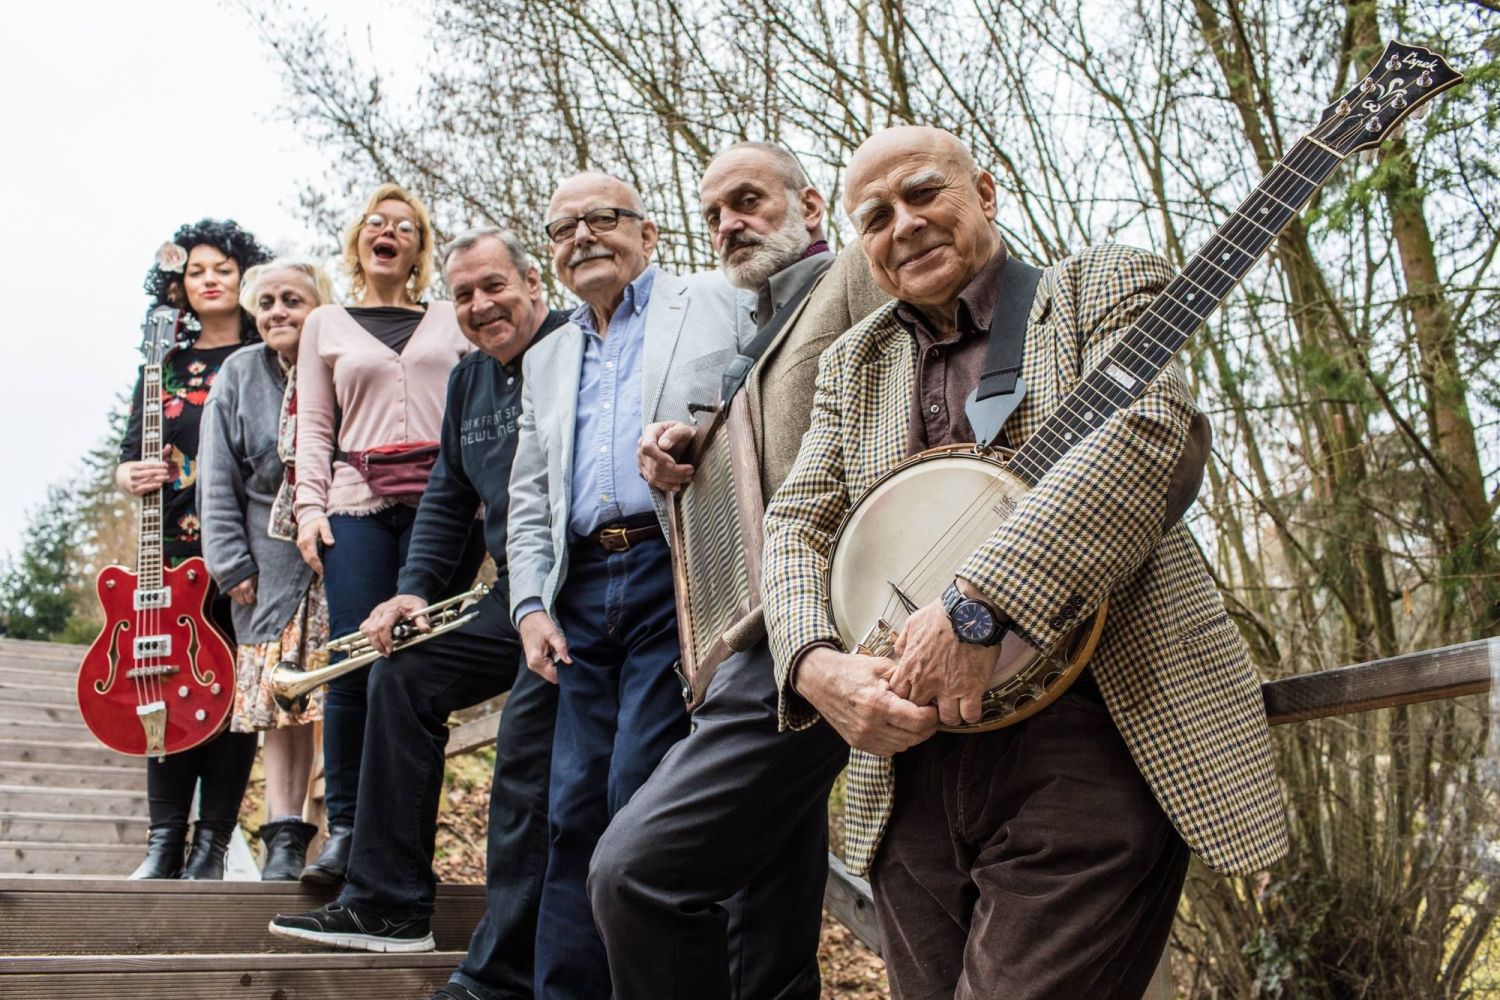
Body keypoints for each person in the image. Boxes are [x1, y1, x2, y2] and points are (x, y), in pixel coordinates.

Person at [759, 125, 1287, 999]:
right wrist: (814, 664)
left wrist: (979, 607)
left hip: (1088, 740)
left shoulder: (1099, 288)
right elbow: (794, 526)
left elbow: (1147, 437)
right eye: (876, 216)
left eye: (925, 193)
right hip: (909, 772)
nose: (905, 225)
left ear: (988, 193)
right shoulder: (854, 364)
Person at [588, 142, 889, 999]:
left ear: (813, 205)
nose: (728, 224)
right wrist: (684, 447)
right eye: (714, 213)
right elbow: (753, 457)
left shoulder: (861, 274)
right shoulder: (753, 332)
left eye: (748, 201)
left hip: (822, 624)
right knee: (770, 928)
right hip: (746, 640)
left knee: (634, 875)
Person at [269, 229, 569, 1000]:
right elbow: (447, 500)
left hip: (584, 596)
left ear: (534, 283)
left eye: (494, 287)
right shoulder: (470, 380)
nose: (480, 306)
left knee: (523, 779)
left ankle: (510, 968)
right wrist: (412, 593)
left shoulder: (576, 348)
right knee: (403, 671)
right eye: (465, 294)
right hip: (511, 597)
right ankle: (387, 902)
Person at [505, 171, 750, 1000]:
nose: (583, 236)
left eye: (603, 218)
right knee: (571, 806)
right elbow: (530, 493)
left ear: (647, 234)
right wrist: (530, 604)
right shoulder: (547, 356)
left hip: (674, 564)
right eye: (564, 227)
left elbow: (758, 408)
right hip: (579, 592)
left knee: (638, 790)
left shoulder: (714, 300)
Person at [293, 182, 485, 883]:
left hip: (449, 508)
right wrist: (310, 510)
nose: (390, 232)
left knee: (418, 671)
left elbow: (481, 407)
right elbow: (314, 424)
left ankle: (403, 843)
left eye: (406, 227)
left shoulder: (452, 317)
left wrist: (490, 496)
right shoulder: (326, 323)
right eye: (377, 223)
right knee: (354, 663)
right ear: (359, 242)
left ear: (418, 249)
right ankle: (345, 831)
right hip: (357, 505)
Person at [116, 218, 273, 880]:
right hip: (171, 559)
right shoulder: (163, 368)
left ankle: (211, 845)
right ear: (179, 288)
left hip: (252, 556)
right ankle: (162, 843)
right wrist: (131, 476)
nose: (210, 280)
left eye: (223, 270)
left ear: (245, 279)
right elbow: (129, 457)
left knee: (237, 697)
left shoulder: (269, 358)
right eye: (196, 272)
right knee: (165, 687)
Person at [198, 259, 336, 880]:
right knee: (284, 707)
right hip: (265, 567)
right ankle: (284, 838)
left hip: (339, 554)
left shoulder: (336, 360)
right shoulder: (238, 373)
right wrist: (229, 564)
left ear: (318, 307)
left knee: (343, 700)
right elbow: (217, 476)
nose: (278, 311)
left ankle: (343, 837)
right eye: (268, 302)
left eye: (293, 300)